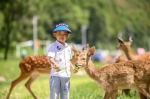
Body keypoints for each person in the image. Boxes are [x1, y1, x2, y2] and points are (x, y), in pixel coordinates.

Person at [47, 23, 77, 99]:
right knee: (54, 94)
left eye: (64, 34)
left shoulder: (68, 47)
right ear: (55, 34)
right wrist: (54, 63)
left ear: (68, 35)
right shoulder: (53, 46)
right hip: (56, 75)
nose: (62, 36)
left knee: (65, 93)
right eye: (59, 34)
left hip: (66, 76)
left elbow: (68, 61)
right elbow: (50, 57)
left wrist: (73, 67)